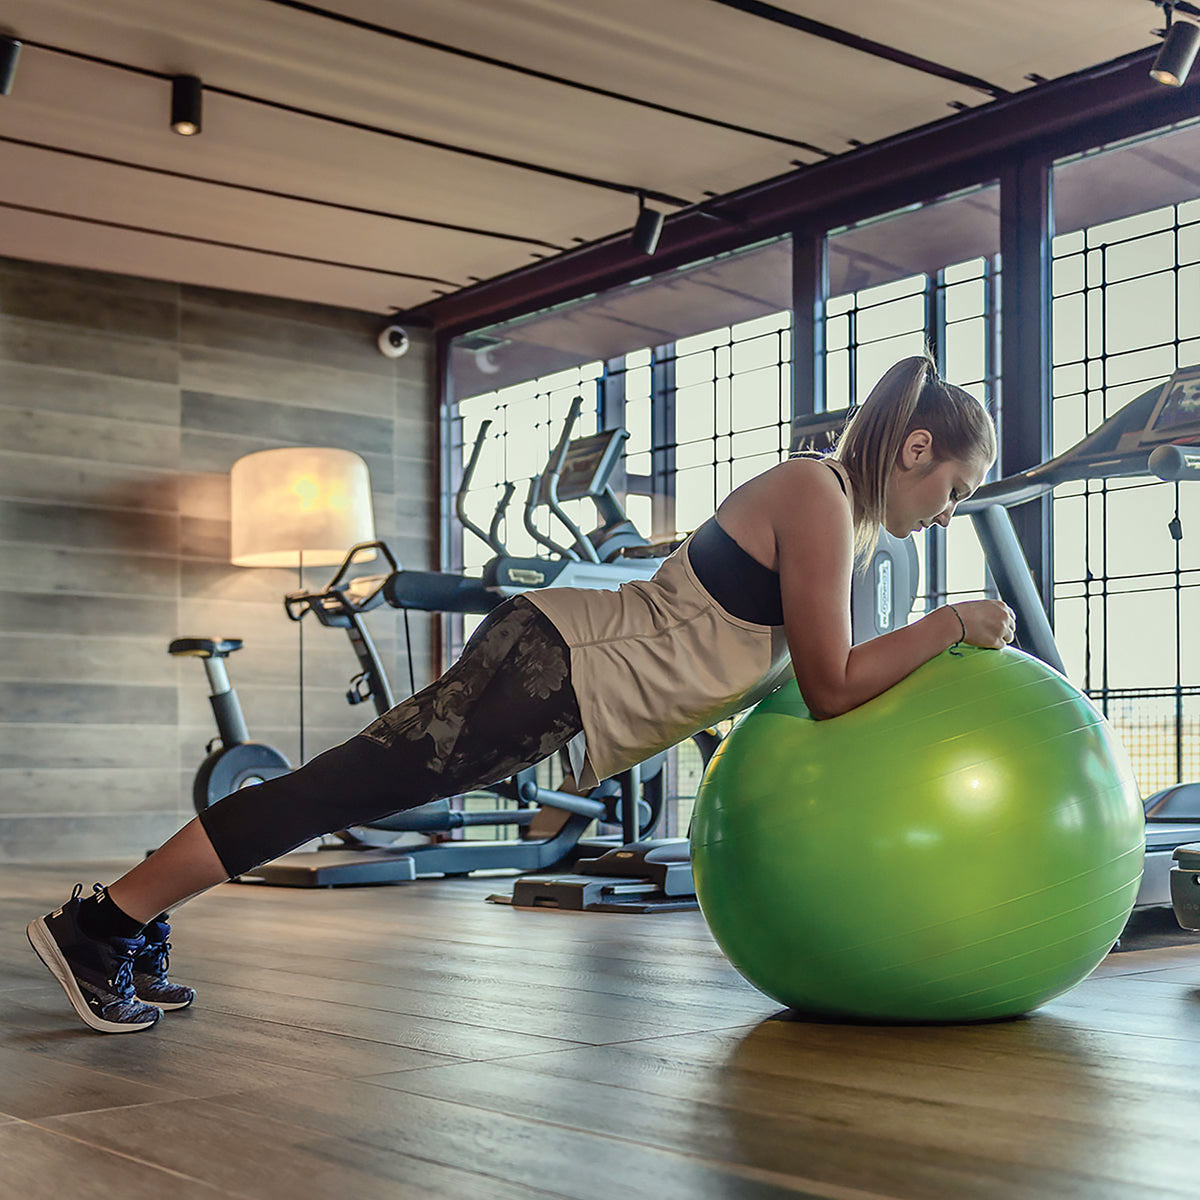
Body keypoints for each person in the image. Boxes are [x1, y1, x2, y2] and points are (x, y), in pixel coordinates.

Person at [27, 354, 1015, 1034]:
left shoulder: (846, 515)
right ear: (917, 448)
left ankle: (125, 918)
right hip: (555, 665)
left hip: (558, 668)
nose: (948, 512)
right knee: (330, 794)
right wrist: (951, 625)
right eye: (957, 490)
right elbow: (832, 684)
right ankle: (102, 925)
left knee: (334, 791)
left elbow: (801, 670)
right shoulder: (819, 495)